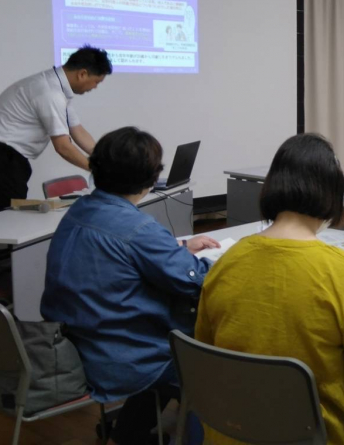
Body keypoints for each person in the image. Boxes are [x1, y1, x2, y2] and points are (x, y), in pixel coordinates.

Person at [196, 134, 344, 444]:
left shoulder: (225, 266)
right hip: (322, 436)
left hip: (232, 432)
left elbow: (206, 352)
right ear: (332, 194)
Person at [41, 127, 219, 445]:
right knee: (203, 364)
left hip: (83, 344)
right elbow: (196, 281)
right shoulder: (137, 229)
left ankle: (126, 435)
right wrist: (231, 261)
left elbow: (126, 259)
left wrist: (177, 248)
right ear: (152, 179)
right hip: (124, 357)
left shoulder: (79, 211)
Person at [0, 45, 111, 213]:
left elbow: (77, 130)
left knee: (12, 218)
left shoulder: (56, 87)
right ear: (82, 74)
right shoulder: (49, 92)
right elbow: (63, 147)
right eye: (96, 82)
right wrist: (98, 170)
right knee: (6, 221)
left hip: (2, 158)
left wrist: (103, 160)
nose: (94, 87)